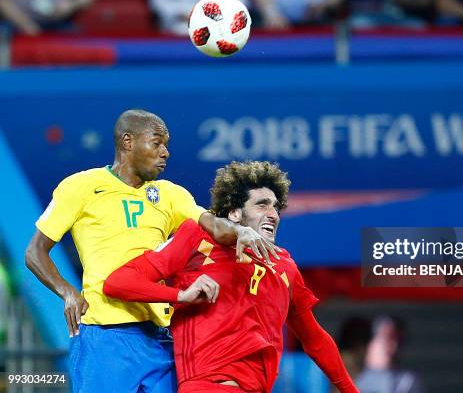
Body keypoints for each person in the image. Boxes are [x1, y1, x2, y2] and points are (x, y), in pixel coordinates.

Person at [25, 110, 278, 392]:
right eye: (156, 143)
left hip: (161, 339)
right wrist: (67, 291)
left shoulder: (170, 194)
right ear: (128, 142)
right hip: (106, 338)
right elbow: (35, 252)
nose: (165, 153)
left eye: (166, 145)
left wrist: (241, 230)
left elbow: (215, 227)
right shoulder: (81, 186)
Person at [104, 161, 358, 392]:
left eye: (276, 207)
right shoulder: (197, 238)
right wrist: (179, 295)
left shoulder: (285, 265)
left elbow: (315, 340)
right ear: (235, 213)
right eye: (262, 204)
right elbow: (118, 283)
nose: (273, 213)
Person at [357, 316, 426, 393]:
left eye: (399, 340)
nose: (394, 345)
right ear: (371, 343)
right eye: (387, 338)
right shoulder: (353, 378)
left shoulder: (407, 382)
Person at [0, 0, 95, 35]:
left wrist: (71, 3)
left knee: (80, 42)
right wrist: (26, 26)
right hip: (16, 26)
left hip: (60, 24)